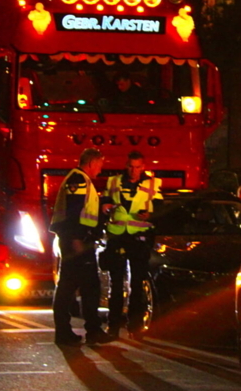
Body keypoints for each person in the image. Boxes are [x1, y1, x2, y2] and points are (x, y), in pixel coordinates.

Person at [50, 148, 115, 346]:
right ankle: (82, 331)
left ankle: (75, 331)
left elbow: (84, 209)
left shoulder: (82, 180)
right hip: (76, 242)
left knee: (83, 287)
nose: (101, 169)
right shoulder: (78, 179)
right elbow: (74, 211)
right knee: (75, 287)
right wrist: (77, 239)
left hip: (77, 240)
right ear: (91, 162)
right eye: (100, 164)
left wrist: (102, 207)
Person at [104, 150, 162, 339]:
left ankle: (134, 327)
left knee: (137, 284)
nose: (133, 171)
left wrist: (150, 216)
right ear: (126, 165)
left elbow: (161, 208)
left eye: (137, 167)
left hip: (139, 237)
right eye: (130, 166)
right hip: (118, 236)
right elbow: (105, 199)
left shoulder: (153, 184)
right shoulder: (113, 182)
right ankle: (113, 327)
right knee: (116, 283)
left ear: (143, 167)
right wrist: (105, 206)